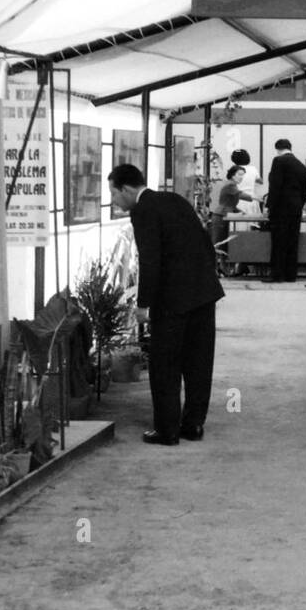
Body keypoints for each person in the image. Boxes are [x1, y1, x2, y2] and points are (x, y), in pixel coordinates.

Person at [109, 163, 224, 445]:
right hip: (203, 294)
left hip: (172, 300)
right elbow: (206, 244)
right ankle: (193, 425)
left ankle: (167, 430)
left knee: (165, 365)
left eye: (114, 193)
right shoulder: (174, 200)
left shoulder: (143, 211)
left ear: (126, 189)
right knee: (198, 364)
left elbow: (151, 260)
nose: (114, 200)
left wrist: (143, 304)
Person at [264, 138, 306, 282]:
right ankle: (290, 275)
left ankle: (277, 275)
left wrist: (269, 206)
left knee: (279, 241)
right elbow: (305, 191)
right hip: (296, 208)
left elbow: (275, 186)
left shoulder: (278, 161)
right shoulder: (301, 165)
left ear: (278, 149)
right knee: (292, 241)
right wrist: (299, 205)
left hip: (280, 208)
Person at [210, 165, 254, 256]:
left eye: (243, 175)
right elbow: (242, 195)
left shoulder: (232, 185)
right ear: (233, 175)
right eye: (239, 174)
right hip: (220, 216)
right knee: (217, 244)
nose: (242, 177)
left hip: (223, 216)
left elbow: (231, 204)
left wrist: (242, 212)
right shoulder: (230, 185)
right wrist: (257, 198)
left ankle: (223, 267)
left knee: (223, 245)